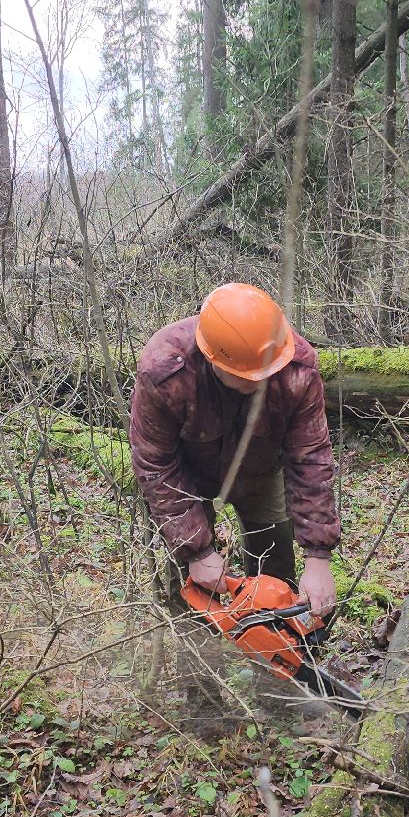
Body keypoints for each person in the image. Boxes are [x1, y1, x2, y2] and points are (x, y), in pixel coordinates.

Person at [128, 282, 341, 722]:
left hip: (262, 470)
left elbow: (311, 457)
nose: (260, 381)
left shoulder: (296, 367)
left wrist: (318, 556)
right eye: (246, 376)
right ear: (212, 358)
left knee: (275, 567)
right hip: (186, 478)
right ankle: (205, 698)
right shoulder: (165, 369)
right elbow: (155, 464)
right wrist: (198, 549)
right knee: (191, 588)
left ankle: (276, 688)